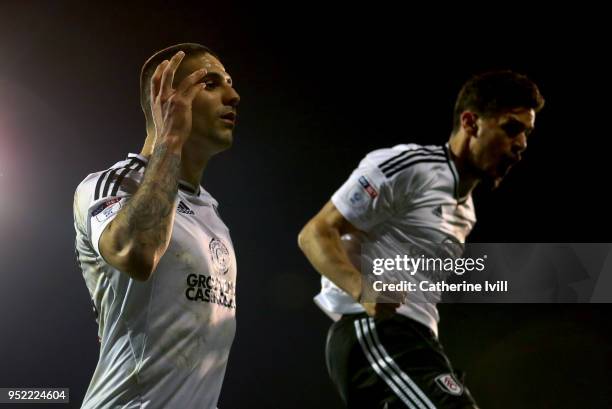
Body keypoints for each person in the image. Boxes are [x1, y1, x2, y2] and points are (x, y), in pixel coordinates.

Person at [298, 70, 544, 408]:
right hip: (374, 332)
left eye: (527, 133)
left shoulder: (466, 209)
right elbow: (315, 233)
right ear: (471, 122)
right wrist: (362, 289)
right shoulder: (411, 166)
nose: (521, 144)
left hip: (416, 340)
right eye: (511, 128)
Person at [73, 42, 240, 409]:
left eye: (230, 82)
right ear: (164, 97)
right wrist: (171, 140)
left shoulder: (213, 216)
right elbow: (137, 253)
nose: (234, 95)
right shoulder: (111, 185)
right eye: (211, 84)